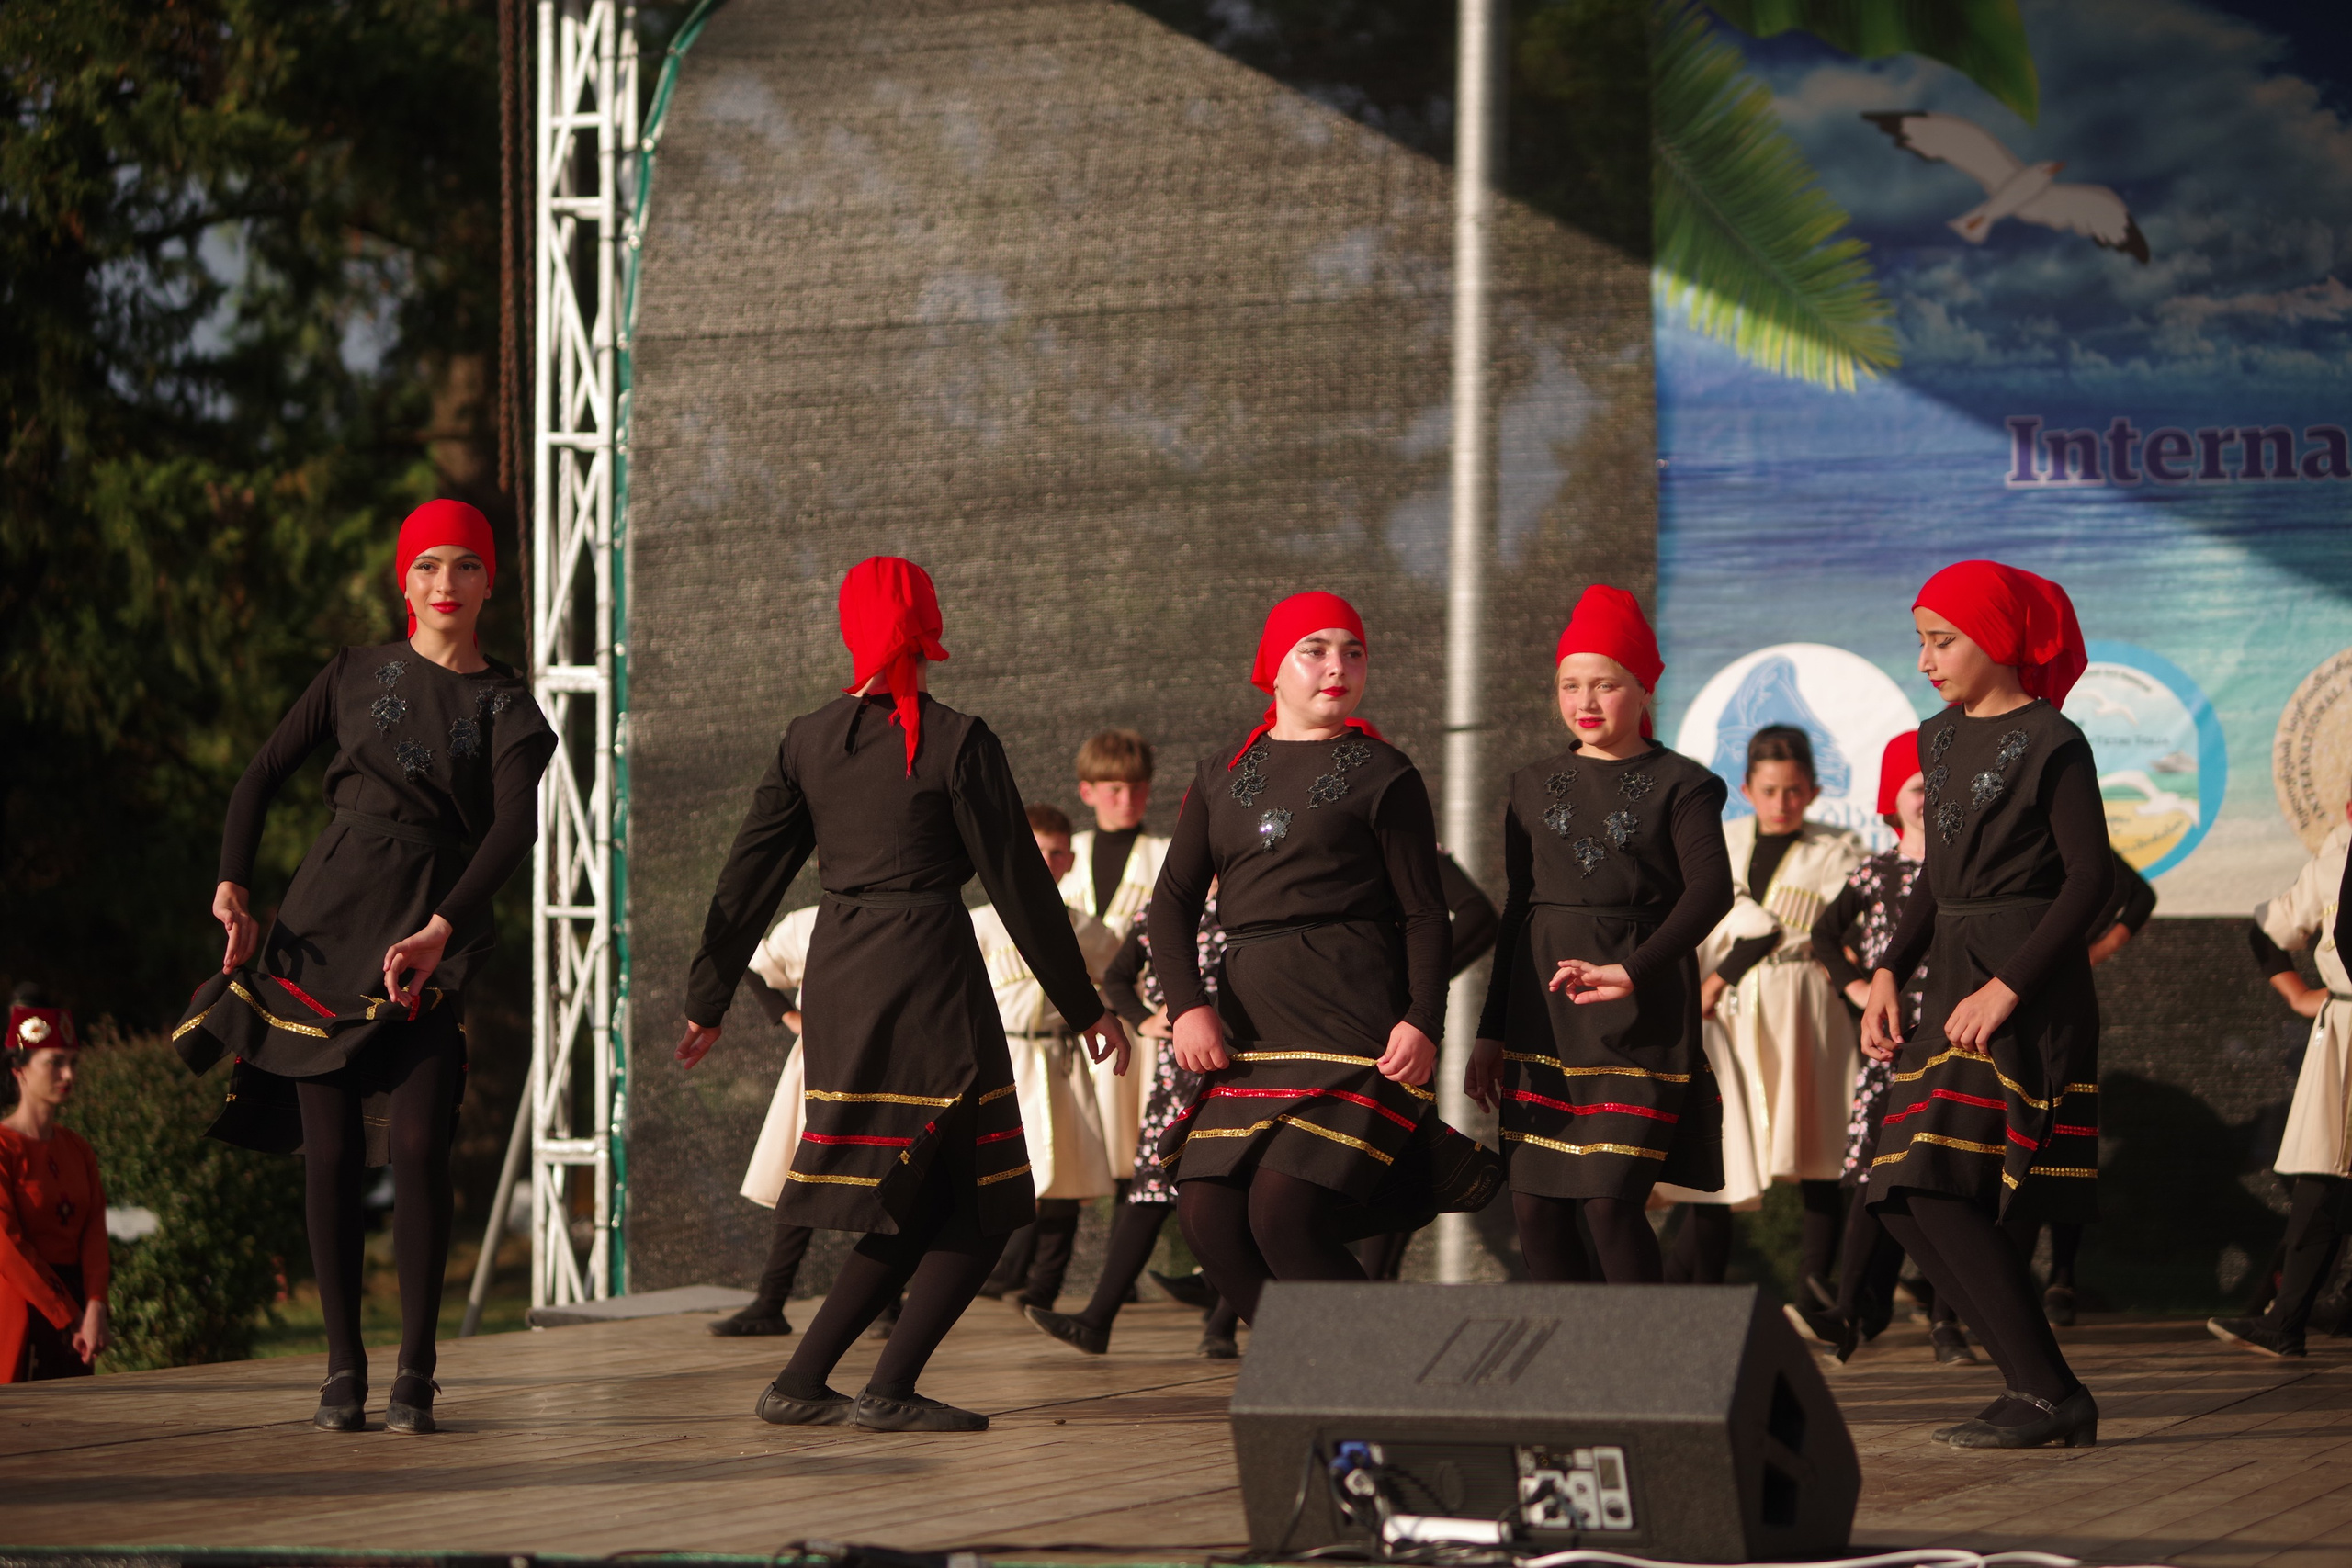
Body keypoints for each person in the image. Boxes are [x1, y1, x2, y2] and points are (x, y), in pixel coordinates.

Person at [676, 557, 1127, 1434]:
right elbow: (1020, 887)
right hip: (929, 978)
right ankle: (877, 1389)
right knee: (989, 1198)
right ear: (929, 625)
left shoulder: (808, 738)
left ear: (850, 629)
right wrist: (1085, 1006)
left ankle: (806, 1380)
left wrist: (708, 996)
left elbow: (747, 876)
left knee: (920, 1197)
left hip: (844, 977)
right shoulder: (960, 739)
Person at [175, 500, 555, 1435]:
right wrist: (232, 886)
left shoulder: (508, 706)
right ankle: (342, 1368)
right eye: (426, 565)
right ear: (404, 581)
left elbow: (516, 828)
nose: (445, 582)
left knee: (421, 1145)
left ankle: (415, 1372)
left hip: (428, 933)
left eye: (465, 565)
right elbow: (259, 776)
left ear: (490, 581)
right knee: (335, 1155)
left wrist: (441, 928)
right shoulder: (352, 671)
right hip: (323, 927)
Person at [1860, 559, 2109, 1450]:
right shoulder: (1936, 739)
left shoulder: (2053, 740)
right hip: (1952, 979)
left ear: (1997, 641)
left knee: (1929, 1185)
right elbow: (1940, 873)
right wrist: (1888, 968)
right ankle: (2037, 1387)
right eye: (1920, 641)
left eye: (1942, 640)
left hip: (2023, 984)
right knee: (1899, 1193)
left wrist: (2009, 985)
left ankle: (2049, 1391)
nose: (1925, 659)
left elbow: (2092, 879)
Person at [1148, 592, 1449, 1324]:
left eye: (1354, 651)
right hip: (1250, 1036)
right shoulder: (1221, 772)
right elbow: (1172, 901)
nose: (1337, 666)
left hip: (1352, 1029)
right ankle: (1315, 1367)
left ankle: (1373, 1371)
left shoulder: (1385, 771)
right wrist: (1187, 1006)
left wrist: (1422, 1018)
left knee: (1283, 1214)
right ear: (1273, 669)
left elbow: (1423, 912)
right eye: (1314, 650)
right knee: (1207, 1216)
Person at [1465, 586, 1735, 1284]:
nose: (1585, 701)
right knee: (1536, 1210)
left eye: (1605, 684)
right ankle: (1580, 1353)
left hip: (1637, 1018)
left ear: (1644, 689)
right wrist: (1491, 1033)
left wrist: (1632, 970)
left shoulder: (1684, 785)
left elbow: (1712, 891)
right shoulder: (1530, 785)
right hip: (1542, 1018)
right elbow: (1518, 907)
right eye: (1570, 684)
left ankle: (1650, 1352)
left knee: (1610, 1204)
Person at [1659, 727, 1864, 1290]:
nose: (1782, 803)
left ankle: (1815, 1284)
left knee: (1819, 1141)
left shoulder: (1839, 849)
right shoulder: (1721, 841)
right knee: (1725, 1148)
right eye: (1770, 790)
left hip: (1804, 1004)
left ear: (1814, 790)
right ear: (1747, 789)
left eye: (1794, 790)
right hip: (1728, 1010)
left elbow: (1858, 928)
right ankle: (1681, 1284)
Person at [1788, 734, 1972, 1364]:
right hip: (1890, 1045)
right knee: (1873, 1175)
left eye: (1937, 789)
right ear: (1892, 800)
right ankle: (1847, 1311)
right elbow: (1822, 934)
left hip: (1951, 1038)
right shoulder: (1875, 871)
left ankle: (1948, 1320)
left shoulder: (1964, 868)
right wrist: (1858, 987)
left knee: (1947, 1176)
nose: (1928, 800)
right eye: (1917, 788)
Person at [1026, 889, 1247, 1358]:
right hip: (1178, 1071)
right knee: (1149, 1189)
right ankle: (1096, 1319)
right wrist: (1143, 1020)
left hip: (1245, 1068)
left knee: (1238, 1188)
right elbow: (1117, 977)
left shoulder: (1255, 898)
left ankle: (1223, 1326)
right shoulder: (1163, 909)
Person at [2209, 800, 2352, 1359]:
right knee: (2325, 1171)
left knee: (2327, 1176)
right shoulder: (2338, 854)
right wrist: (2297, 994)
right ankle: (2287, 1318)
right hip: (2344, 1032)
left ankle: (2294, 1315)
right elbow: (2269, 930)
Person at [974, 804, 1121, 1312]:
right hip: (1004, 1056)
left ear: (1071, 860)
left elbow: (1121, 980)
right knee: (1005, 1169)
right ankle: (993, 1274)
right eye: (1037, 850)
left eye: (1057, 852)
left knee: (1066, 1171)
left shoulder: (1087, 929)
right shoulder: (980, 923)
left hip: (1060, 1058)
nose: (1047, 861)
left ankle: (1044, 1288)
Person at [2004, 851, 2153, 1326]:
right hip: (1997, 995)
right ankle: (1991, 1275)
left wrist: (2092, 952)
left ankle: (2061, 1277)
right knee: (2006, 1135)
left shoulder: (2070, 834)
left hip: (2057, 998)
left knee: (2061, 1134)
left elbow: (2138, 895)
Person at [1352, 852, 1502, 1280]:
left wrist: (1411, 987)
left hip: (1387, 1029)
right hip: (1309, 1022)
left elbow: (1479, 917)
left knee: (1390, 1159)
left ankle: (1373, 1289)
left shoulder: (1398, 841)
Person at [1058, 729, 1170, 1198]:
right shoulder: (1063, 853)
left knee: (1135, 1150)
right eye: (1115, 789)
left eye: (1137, 788)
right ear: (1087, 791)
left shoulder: (1167, 855)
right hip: (1070, 1024)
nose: (1128, 800)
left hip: (1139, 1022)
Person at [2, 987, 109, 1382]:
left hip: (80, 1315)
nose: (69, 1075)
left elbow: (94, 1232)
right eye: (55, 1063)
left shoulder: (78, 1149)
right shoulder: (3, 1148)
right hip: (22, 1309)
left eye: (73, 1063)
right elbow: (6, 1246)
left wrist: (96, 1304)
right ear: (20, 1069)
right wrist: (68, 1312)